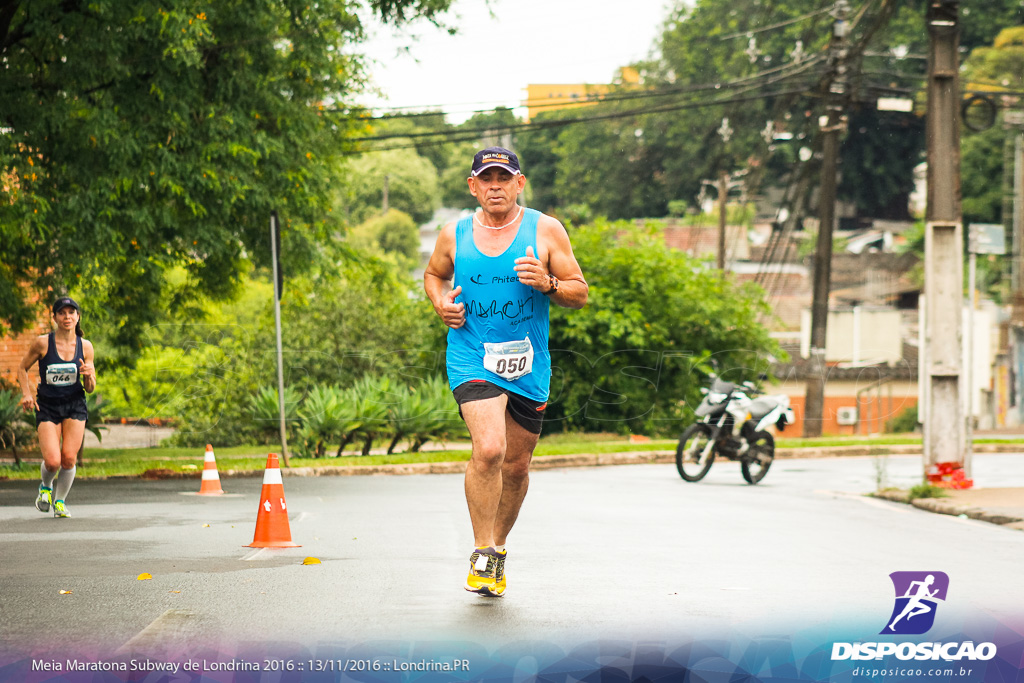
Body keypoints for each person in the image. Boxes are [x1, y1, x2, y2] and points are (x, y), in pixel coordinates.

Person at [423, 147, 588, 596]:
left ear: (520, 183)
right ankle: (481, 550)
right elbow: (434, 276)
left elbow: (580, 291)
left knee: (516, 465)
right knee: (490, 449)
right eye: (486, 178)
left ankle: (497, 548)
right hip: (471, 355)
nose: (495, 185)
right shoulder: (453, 233)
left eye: (504, 177)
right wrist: (441, 304)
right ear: (472, 186)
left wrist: (549, 283)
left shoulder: (546, 230)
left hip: (528, 364)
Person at [17, 297, 97, 518]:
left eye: (72, 312)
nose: (67, 317)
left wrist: (89, 376)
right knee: (53, 462)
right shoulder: (43, 343)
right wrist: (26, 393)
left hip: (74, 405)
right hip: (48, 406)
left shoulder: (86, 346)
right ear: (55, 318)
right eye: (62, 313)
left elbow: (90, 388)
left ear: (78, 317)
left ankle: (60, 501)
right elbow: (22, 369)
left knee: (69, 458)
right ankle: (45, 487)